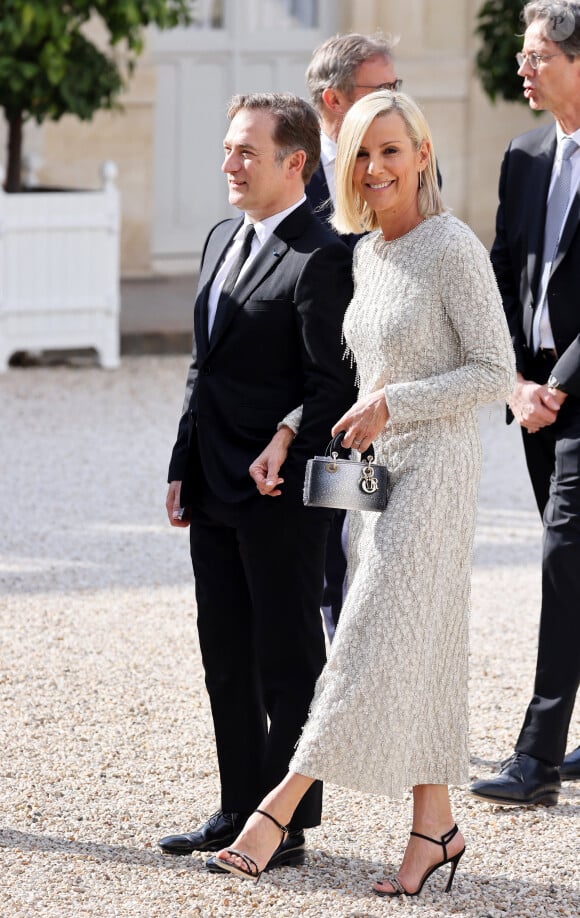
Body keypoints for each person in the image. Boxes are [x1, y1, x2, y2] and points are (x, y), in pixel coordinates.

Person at [210, 90, 516, 895]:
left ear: (421, 153)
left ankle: (276, 808)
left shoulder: (453, 246)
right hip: (374, 478)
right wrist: (289, 426)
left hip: (438, 473)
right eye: (361, 154)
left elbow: (492, 369)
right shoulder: (366, 253)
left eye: (390, 150)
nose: (375, 168)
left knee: (364, 641)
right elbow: (348, 376)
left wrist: (396, 405)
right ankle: (435, 828)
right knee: (421, 650)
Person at [157, 92, 356, 868]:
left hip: (280, 493)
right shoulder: (217, 238)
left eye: (247, 151)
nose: (228, 164)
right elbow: (201, 366)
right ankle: (238, 806)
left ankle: (288, 823)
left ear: (295, 163)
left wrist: (285, 443)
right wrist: (181, 463)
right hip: (210, 483)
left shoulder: (323, 255)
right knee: (225, 655)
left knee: (285, 654)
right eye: (228, 148)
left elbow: (334, 382)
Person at [469, 0, 580, 808]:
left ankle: (536, 757)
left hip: (573, 392)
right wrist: (513, 381)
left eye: (537, 53)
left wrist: (559, 385)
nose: (523, 66)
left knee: (563, 560)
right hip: (533, 393)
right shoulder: (524, 152)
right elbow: (501, 271)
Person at [304, 31, 401, 639]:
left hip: (387, 395)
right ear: (333, 100)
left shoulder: (406, 155)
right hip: (316, 394)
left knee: (372, 544)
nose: (394, 101)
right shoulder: (292, 166)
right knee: (316, 547)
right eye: (381, 90)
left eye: (398, 88)